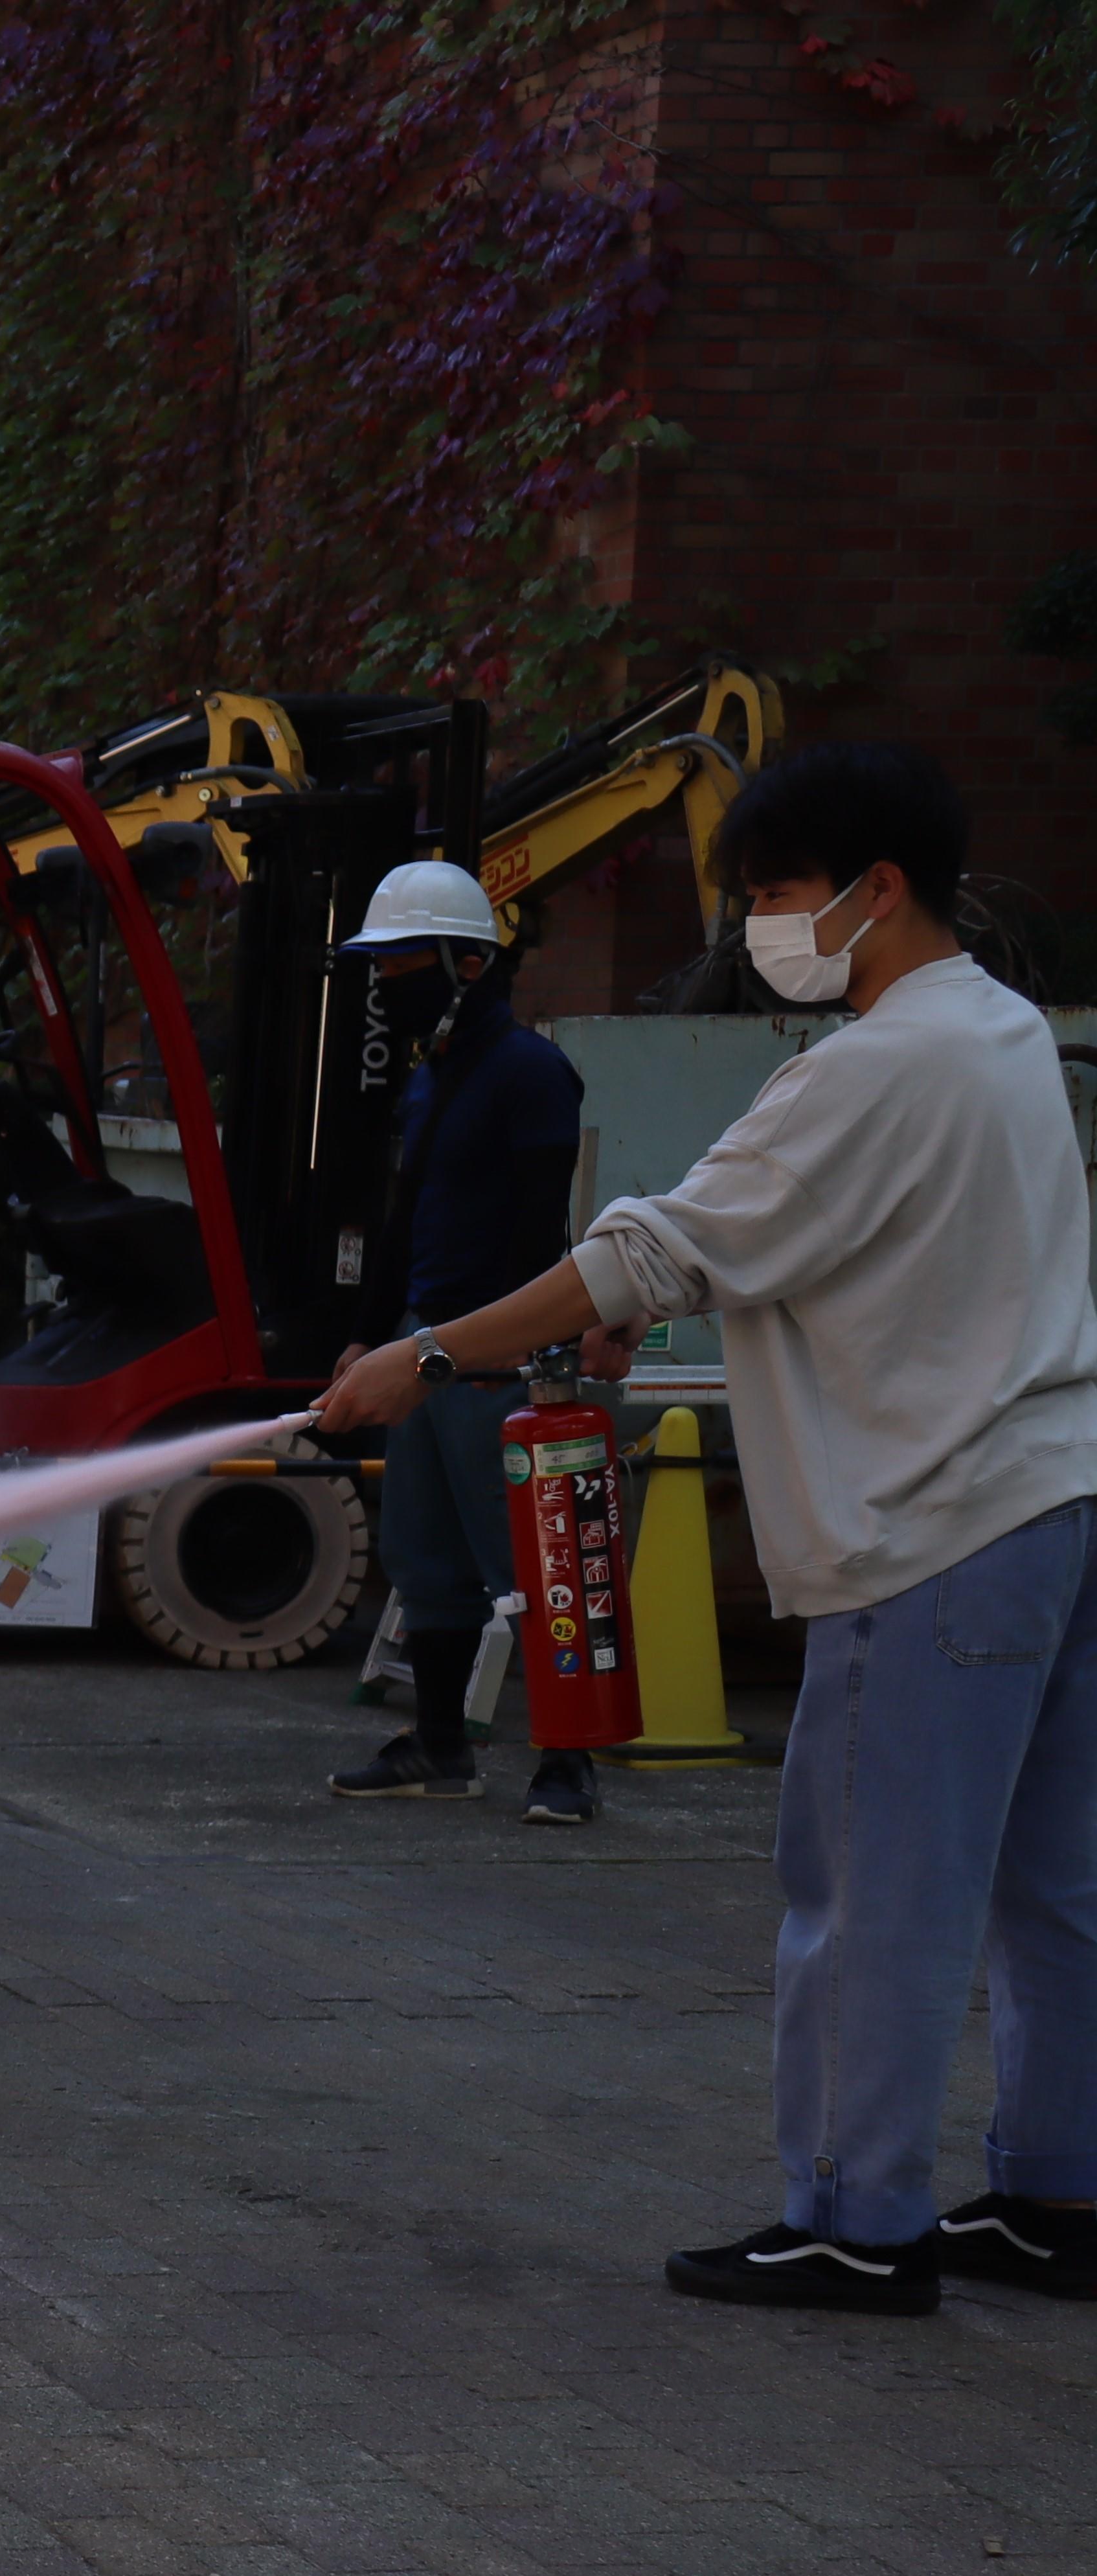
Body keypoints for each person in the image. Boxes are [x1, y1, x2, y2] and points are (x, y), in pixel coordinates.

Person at [319, 740, 1097, 2316]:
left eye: (776, 893)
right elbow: (861, 1252)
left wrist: (425, 1355)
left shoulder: (879, 1061)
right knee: (1054, 1883)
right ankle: (1057, 2194)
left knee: (871, 1889)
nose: (761, 926)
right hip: (1052, 1500)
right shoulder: (1000, 1032)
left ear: (877, 889)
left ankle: (851, 2217)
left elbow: (655, 1244)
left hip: (931, 1528)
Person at [313, 858, 598, 1825]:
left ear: (467, 963)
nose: (385, 985)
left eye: (400, 964)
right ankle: (440, 1746)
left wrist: (501, 1355)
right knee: (425, 1558)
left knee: (538, 1567)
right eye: (380, 967)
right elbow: (404, 1219)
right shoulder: (432, 1080)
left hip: (496, 1359)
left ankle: (569, 1764)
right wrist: (368, 1339)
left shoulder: (531, 1074)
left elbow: (536, 1232)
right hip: (421, 1345)